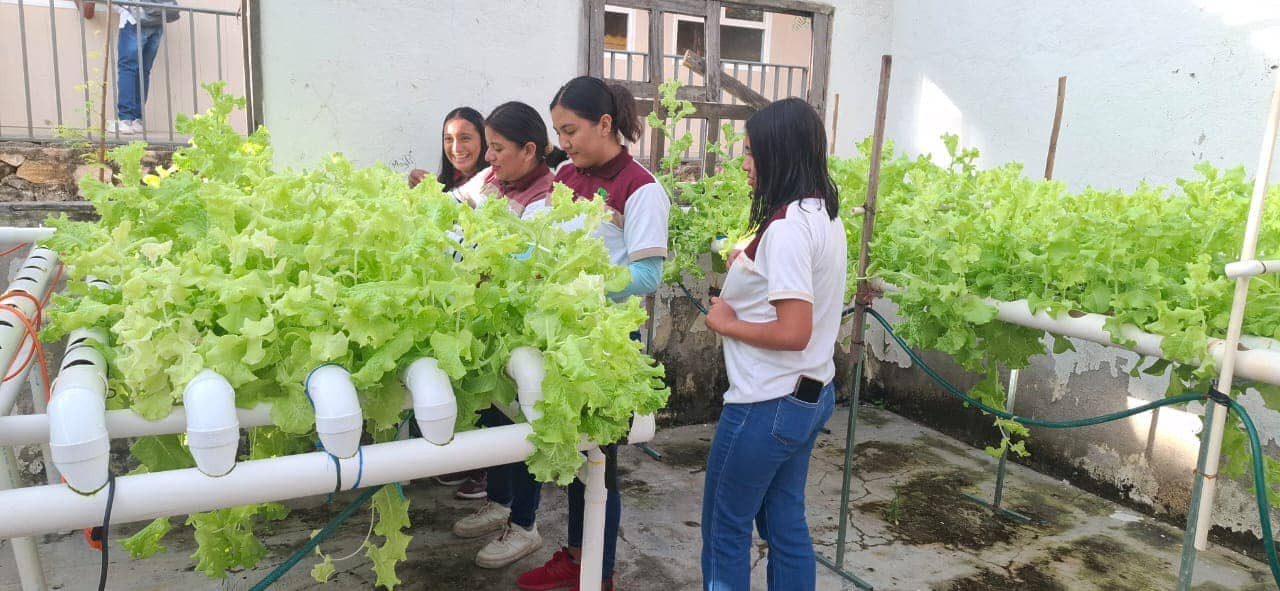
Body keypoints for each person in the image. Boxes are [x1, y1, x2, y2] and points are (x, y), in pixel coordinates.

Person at [513, 76, 670, 591]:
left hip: (604, 344)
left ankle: (596, 572)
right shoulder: (565, 174)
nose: (564, 142)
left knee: (600, 460)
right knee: (577, 460)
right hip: (561, 336)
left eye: (571, 130)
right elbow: (545, 243)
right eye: (559, 131)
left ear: (605, 124)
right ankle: (579, 555)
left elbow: (647, 277)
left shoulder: (641, 188)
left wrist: (580, 286)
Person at [700, 98, 847, 591]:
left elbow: (792, 331)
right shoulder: (822, 211)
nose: (744, 163)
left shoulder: (786, 229)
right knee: (785, 523)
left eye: (750, 152)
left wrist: (725, 321)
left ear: (779, 153)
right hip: (810, 395)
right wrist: (747, 262)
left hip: (766, 403)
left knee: (726, 528)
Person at [447, 101, 566, 570]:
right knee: (495, 415)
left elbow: (526, 266)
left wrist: (480, 264)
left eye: (497, 148)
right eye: (489, 147)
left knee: (522, 422)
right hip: (490, 321)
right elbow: (454, 204)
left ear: (529, 150)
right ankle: (498, 501)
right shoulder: (494, 181)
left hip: (524, 329)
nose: (489, 157)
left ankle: (525, 523)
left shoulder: (546, 198)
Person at [110, 2, 178, 135]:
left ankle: (126, 119)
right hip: (156, 21)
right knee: (143, 71)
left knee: (127, 68)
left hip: (134, 19)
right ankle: (137, 120)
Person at [409, 107, 489, 191]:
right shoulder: (444, 183)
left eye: (465, 138)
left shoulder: (497, 186)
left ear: (484, 139)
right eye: (448, 139)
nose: (456, 149)